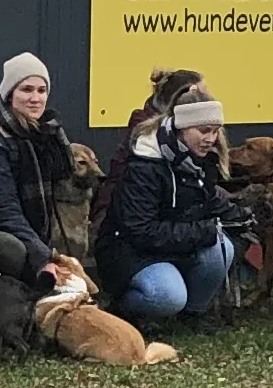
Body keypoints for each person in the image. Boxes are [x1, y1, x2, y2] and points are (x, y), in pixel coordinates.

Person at [101, 90, 235, 329]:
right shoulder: (144, 164)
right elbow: (141, 230)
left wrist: (242, 215)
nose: (211, 139)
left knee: (223, 247)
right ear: (182, 127)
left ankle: (193, 313)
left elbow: (207, 197)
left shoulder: (200, 158)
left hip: (172, 243)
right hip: (131, 251)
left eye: (215, 131)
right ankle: (123, 309)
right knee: (166, 296)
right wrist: (204, 231)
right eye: (204, 130)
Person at [0, 52, 73, 282]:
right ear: (9, 95)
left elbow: (65, 174)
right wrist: (44, 257)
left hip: (36, 240)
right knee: (11, 249)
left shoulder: (46, 136)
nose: (35, 98)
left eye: (41, 90)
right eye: (26, 90)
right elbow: (3, 213)